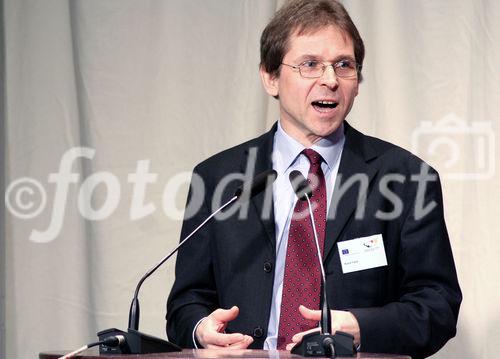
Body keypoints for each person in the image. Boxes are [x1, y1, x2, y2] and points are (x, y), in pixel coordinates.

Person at [166, 0, 462, 357]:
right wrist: (201, 330)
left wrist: (361, 328)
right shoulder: (219, 178)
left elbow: (438, 305)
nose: (330, 80)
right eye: (310, 65)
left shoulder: (407, 178)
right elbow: (186, 303)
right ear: (270, 77)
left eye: (344, 65)